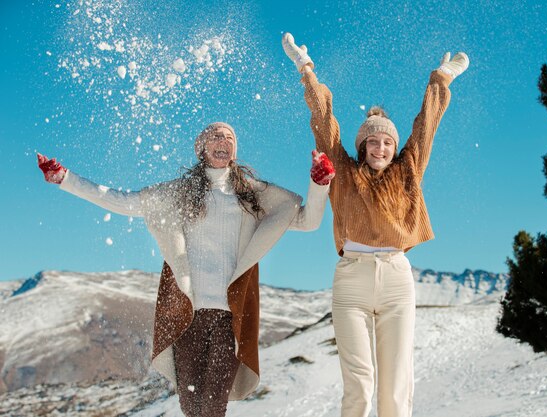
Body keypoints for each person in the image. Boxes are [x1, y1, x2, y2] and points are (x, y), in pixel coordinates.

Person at [36, 121, 336, 417]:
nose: (223, 140)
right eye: (216, 135)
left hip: (228, 318)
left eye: (229, 137)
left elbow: (306, 221)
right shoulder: (178, 193)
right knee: (191, 406)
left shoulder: (253, 197)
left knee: (212, 406)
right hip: (186, 314)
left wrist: (319, 184)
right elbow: (123, 202)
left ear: (234, 150)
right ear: (202, 148)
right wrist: (65, 179)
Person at [282, 33, 469, 417]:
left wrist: (439, 81)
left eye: (387, 142)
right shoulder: (346, 171)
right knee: (359, 385)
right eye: (373, 142)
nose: (380, 148)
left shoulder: (408, 170)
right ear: (362, 146)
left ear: (394, 146)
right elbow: (323, 121)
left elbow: (425, 126)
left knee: (396, 389)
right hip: (351, 280)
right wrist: (307, 71)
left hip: (397, 280)